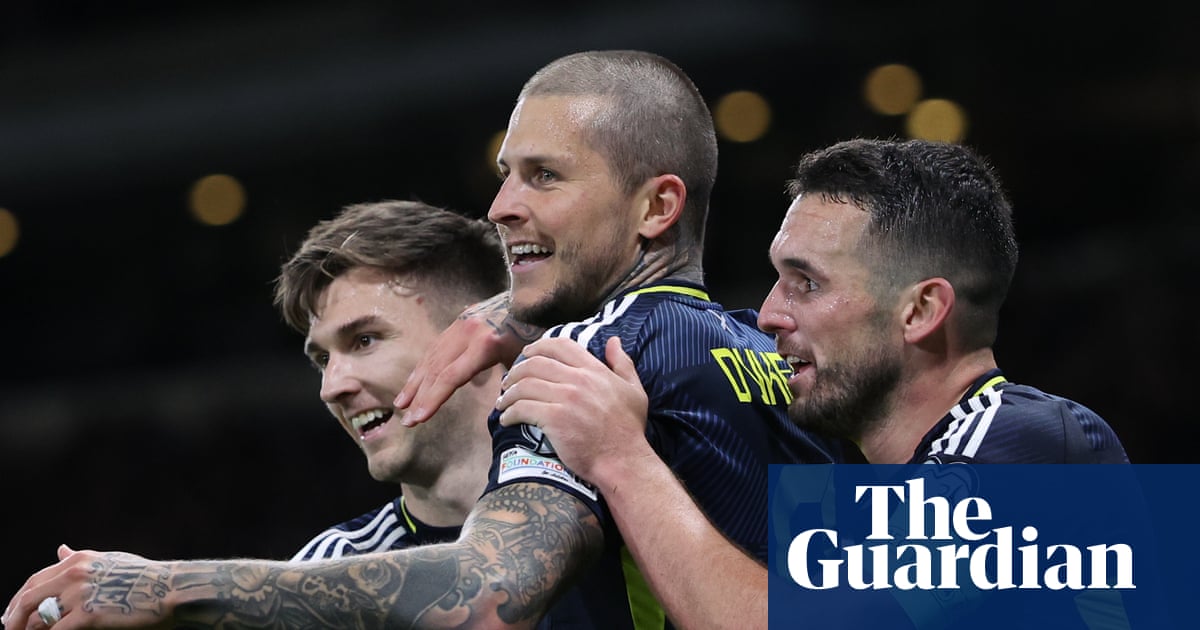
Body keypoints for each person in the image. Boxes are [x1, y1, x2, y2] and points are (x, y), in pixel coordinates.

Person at [3, 49, 837, 630]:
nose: (502, 205)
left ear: (656, 206)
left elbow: (487, 595)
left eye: (544, 176)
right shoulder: (783, 358)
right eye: (507, 175)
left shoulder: (587, 365)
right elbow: (878, 596)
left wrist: (163, 587)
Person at [492, 137, 1133, 629]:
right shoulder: (865, 480)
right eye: (778, 279)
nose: (771, 313)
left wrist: (621, 459)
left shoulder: (1033, 443)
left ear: (920, 311)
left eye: (807, 283)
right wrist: (521, 321)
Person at [276, 200, 506, 562]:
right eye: (323, 360)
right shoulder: (332, 576)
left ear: (473, 341)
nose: (330, 389)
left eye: (364, 340)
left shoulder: (601, 498)